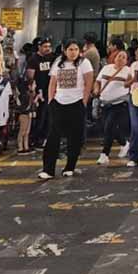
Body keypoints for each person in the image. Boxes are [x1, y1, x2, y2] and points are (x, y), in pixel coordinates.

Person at [38, 39, 94, 180]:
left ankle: (70, 167)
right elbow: (52, 83)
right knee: (53, 136)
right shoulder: (58, 62)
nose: (73, 52)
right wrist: (51, 100)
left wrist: (84, 101)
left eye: (76, 49)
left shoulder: (84, 63)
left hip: (76, 103)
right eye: (70, 49)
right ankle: (48, 169)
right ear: (64, 50)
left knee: (74, 137)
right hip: (59, 103)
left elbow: (89, 82)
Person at [95, 49, 132, 165]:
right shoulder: (106, 68)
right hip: (104, 103)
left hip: (119, 104)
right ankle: (124, 143)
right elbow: (98, 81)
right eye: (119, 56)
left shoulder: (128, 71)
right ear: (114, 58)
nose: (121, 59)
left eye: (124, 57)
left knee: (109, 127)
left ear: (127, 61)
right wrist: (96, 89)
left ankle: (104, 154)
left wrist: (131, 81)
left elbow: (128, 85)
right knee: (108, 128)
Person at [26, 39, 54, 149]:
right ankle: (34, 139)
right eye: (45, 46)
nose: (47, 49)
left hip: (49, 91)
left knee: (48, 116)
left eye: (49, 46)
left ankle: (44, 138)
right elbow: (30, 77)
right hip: (38, 92)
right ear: (39, 47)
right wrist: (34, 91)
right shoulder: (34, 59)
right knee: (39, 117)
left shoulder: (51, 58)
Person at [14, 43, 35, 155]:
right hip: (24, 110)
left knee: (27, 130)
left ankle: (25, 146)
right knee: (23, 129)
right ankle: (20, 147)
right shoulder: (23, 90)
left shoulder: (30, 90)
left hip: (28, 109)